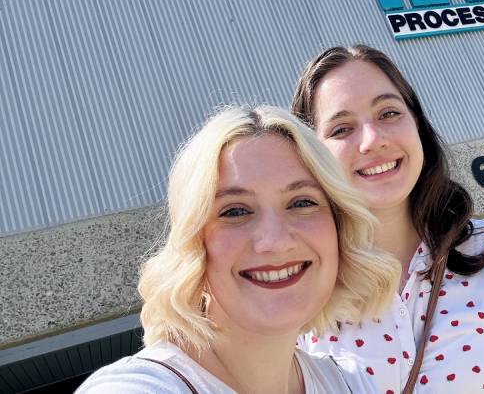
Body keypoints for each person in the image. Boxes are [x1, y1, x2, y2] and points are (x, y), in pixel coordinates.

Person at [292, 45, 484, 393]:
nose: (372, 140)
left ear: (417, 125)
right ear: (312, 156)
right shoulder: (296, 291)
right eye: (341, 129)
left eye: (388, 113)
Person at [77, 105, 401, 394]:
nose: (274, 241)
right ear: (194, 244)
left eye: (302, 203)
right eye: (234, 211)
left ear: (339, 228)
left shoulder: (349, 382)